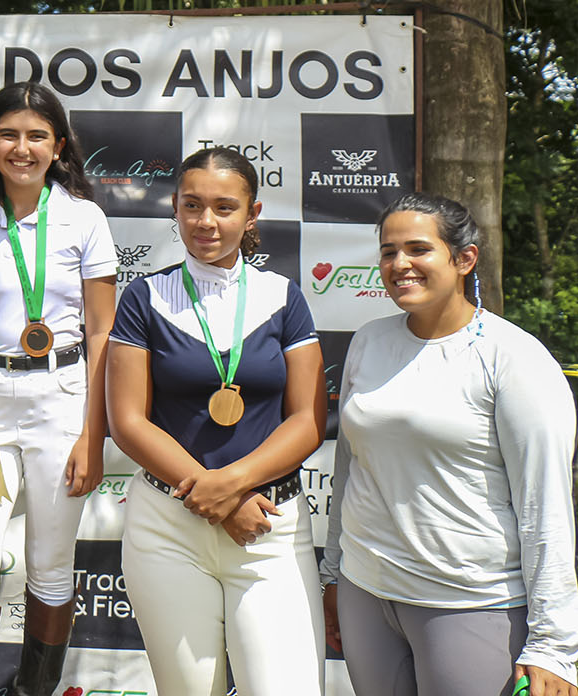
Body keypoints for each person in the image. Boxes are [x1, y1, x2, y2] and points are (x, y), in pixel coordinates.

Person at [322, 193, 578, 696]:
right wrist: (333, 572)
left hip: (470, 603)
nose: (400, 264)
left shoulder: (515, 358)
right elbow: (349, 470)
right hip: (364, 593)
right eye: (389, 251)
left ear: (465, 259)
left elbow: (545, 506)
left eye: (419, 249)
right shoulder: (369, 341)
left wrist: (555, 645)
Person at [105, 147, 326, 695]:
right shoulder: (143, 297)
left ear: (252, 215)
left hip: (268, 528)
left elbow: (307, 420)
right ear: (175, 208)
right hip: (168, 530)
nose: (206, 221)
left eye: (225, 208)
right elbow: (128, 421)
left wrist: (229, 489)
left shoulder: (284, 297)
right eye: (192, 205)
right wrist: (219, 499)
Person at [0, 83, 117, 695]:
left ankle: (34, 690)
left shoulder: (84, 218)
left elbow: (102, 332)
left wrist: (93, 434)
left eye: (37, 136)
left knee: (51, 565)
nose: (22, 148)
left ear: (58, 147)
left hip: (61, 400)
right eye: (8, 134)